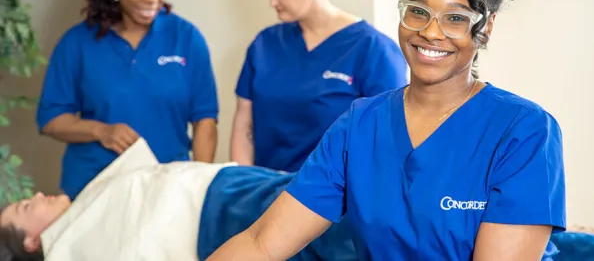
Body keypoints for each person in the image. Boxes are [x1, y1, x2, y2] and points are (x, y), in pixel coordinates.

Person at [207, 0, 567, 261]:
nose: (430, 31)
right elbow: (262, 243)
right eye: (417, 11)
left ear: (485, 27)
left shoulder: (523, 131)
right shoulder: (359, 126)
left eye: (456, 18)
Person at [36, 0, 219, 200]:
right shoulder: (77, 42)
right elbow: (50, 119)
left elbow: (205, 120)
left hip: (166, 190)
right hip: (92, 191)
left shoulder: (186, 38)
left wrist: (202, 188)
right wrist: (101, 130)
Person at [0, 139, 358, 260]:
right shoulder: (70, 247)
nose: (36, 195)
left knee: (329, 196)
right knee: (334, 225)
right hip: (211, 218)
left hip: (217, 184)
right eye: (26, 208)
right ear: (33, 241)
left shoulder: (82, 214)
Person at [230, 0, 409, 172]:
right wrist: (243, 182)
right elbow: (244, 125)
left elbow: (387, 139)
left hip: (335, 199)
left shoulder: (373, 49)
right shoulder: (265, 44)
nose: (272, 2)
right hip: (264, 191)